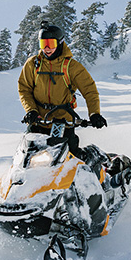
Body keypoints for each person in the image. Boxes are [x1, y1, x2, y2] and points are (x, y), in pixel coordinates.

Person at [17, 21, 107, 159]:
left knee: (70, 158)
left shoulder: (71, 67)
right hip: (39, 121)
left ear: (60, 43)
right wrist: (31, 110)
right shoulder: (33, 64)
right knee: (26, 158)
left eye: (51, 44)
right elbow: (24, 89)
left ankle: (92, 173)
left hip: (63, 122)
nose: (46, 48)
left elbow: (90, 90)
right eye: (43, 44)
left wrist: (94, 114)